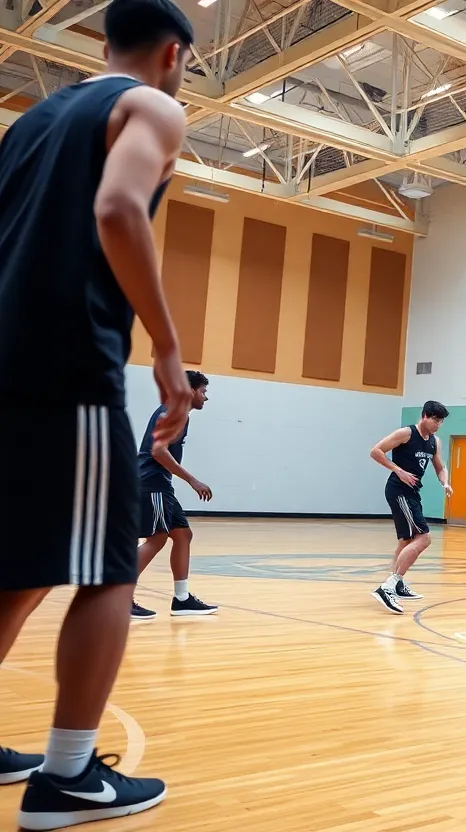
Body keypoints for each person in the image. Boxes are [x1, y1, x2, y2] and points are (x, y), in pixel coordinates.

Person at [0, 0, 194, 826]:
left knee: (17, 567)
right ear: (175, 54)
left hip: (6, 361)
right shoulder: (151, 105)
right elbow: (117, 210)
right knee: (113, 565)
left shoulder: (31, 122)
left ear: (102, 40)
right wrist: (165, 345)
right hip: (66, 363)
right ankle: (69, 775)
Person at [131, 370, 218, 620]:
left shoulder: (175, 411)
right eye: (203, 391)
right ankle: (121, 596)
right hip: (152, 483)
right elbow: (158, 451)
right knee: (157, 539)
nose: (205, 397)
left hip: (160, 484)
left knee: (182, 535)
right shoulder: (174, 412)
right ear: (190, 390)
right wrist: (193, 480)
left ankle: (182, 599)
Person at [368, 401, 452, 614]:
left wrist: (445, 482)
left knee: (405, 540)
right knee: (423, 538)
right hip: (399, 490)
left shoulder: (435, 442)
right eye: (435, 420)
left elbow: (440, 467)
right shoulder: (406, 433)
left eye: (441, 422)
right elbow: (376, 451)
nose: (438, 425)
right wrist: (398, 470)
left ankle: (396, 584)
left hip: (413, 493)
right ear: (424, 416)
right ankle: (388, 586)